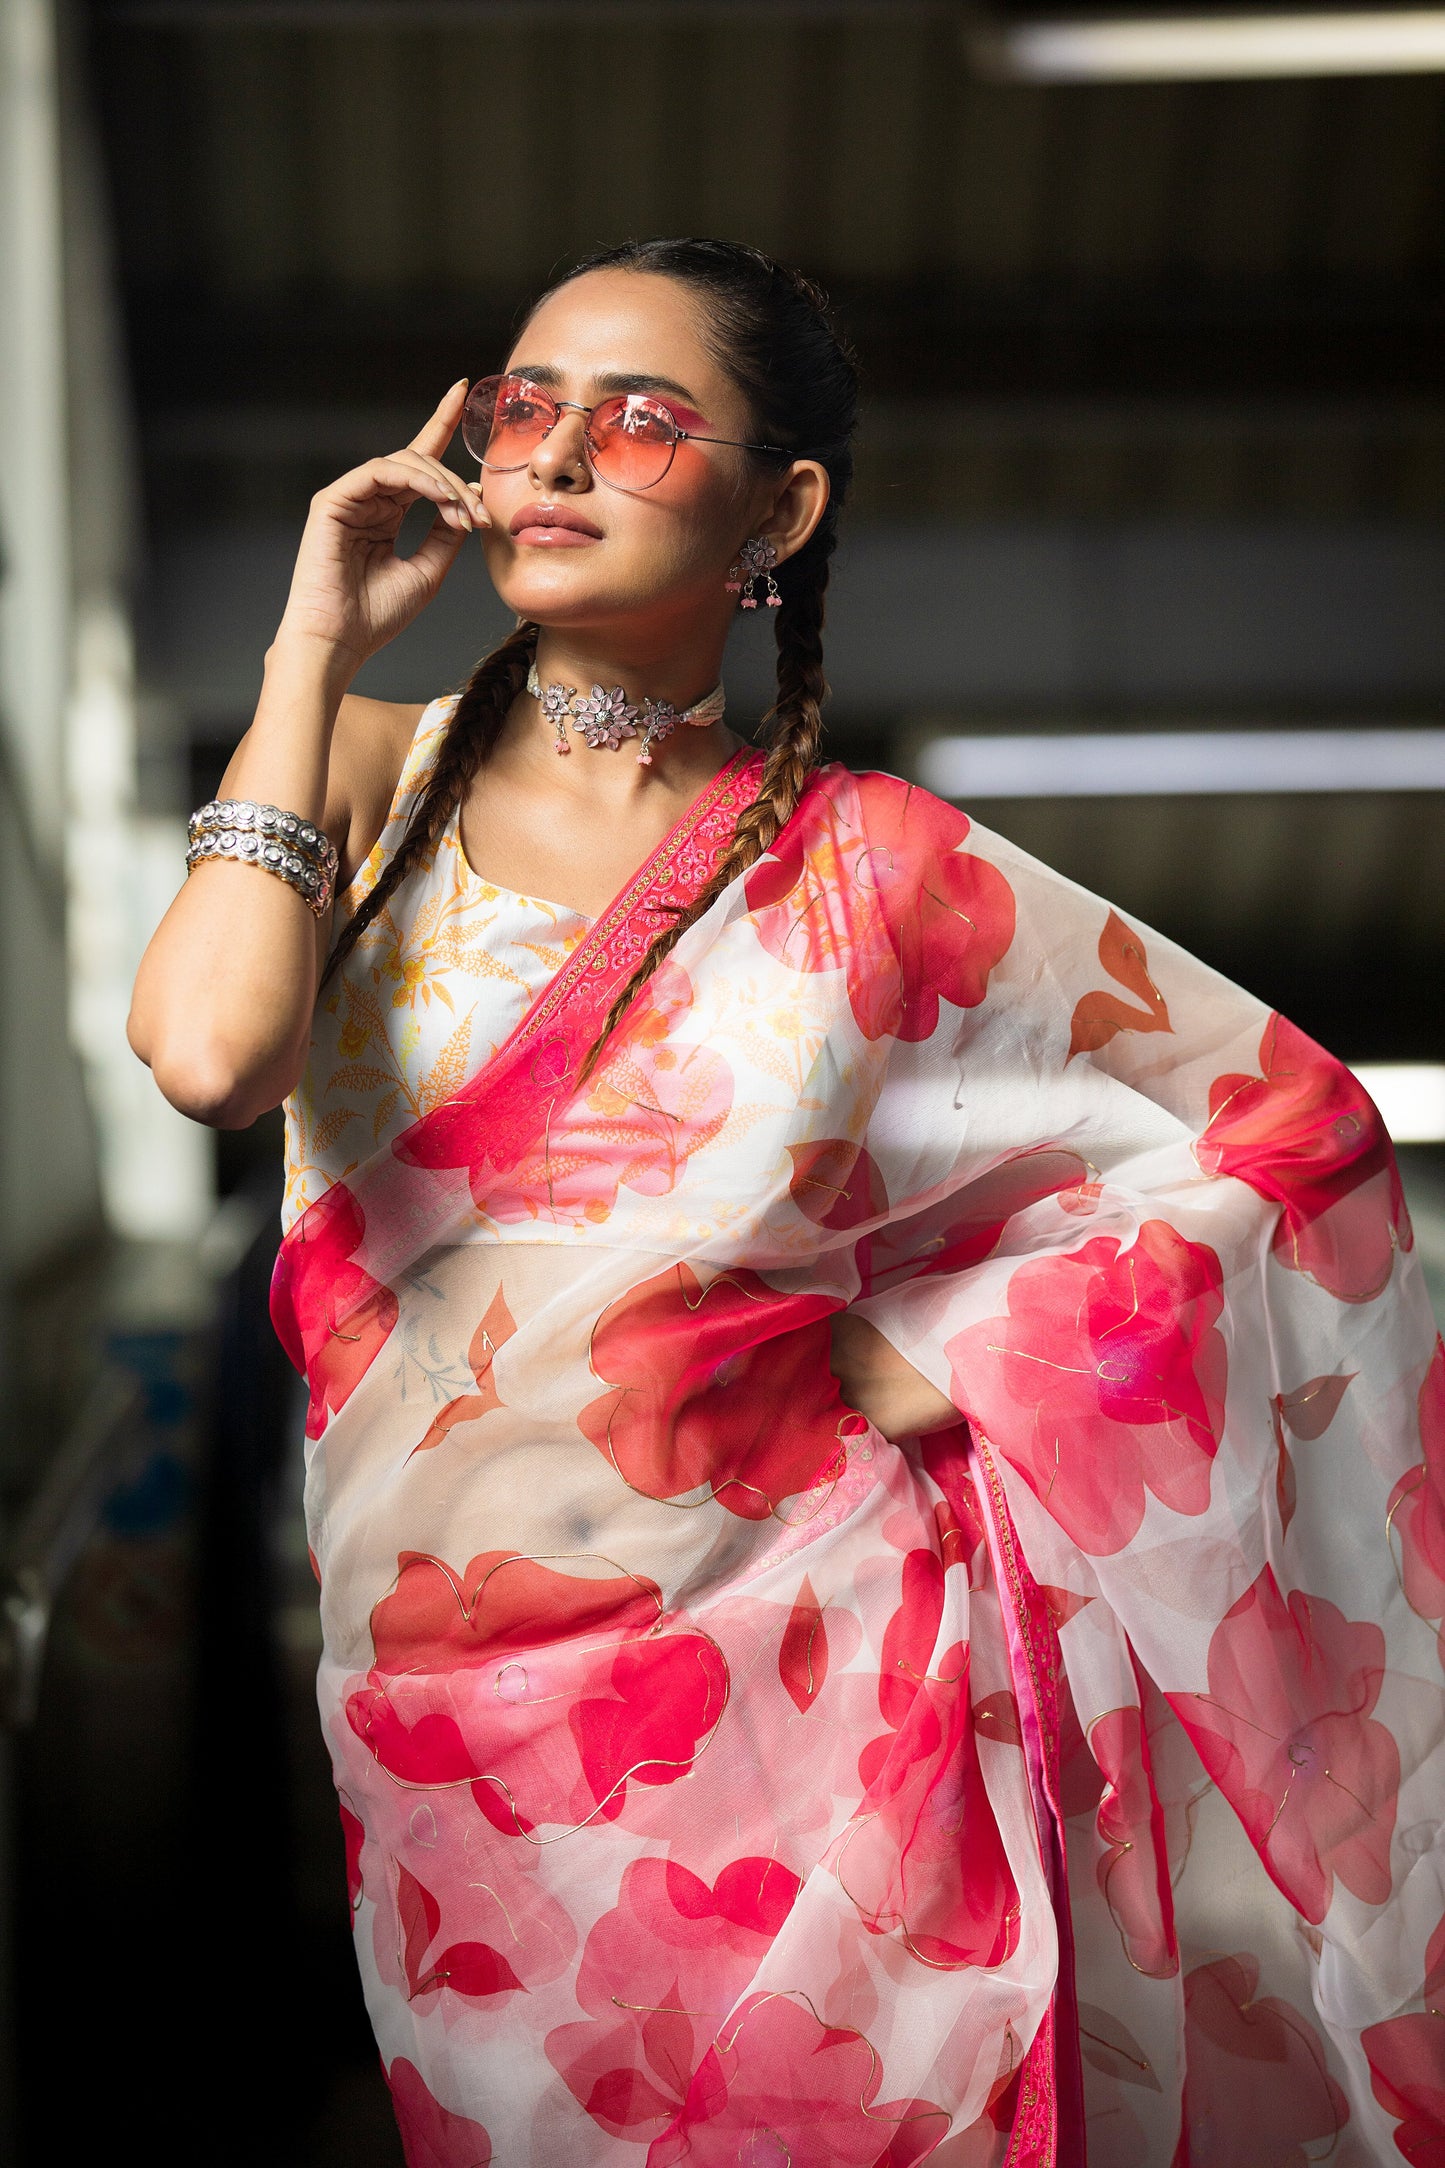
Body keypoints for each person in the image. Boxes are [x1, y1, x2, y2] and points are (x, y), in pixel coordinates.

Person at [129, 239, 1444, 2168]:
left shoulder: (878, 872)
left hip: (815, 1666)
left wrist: (928, 1363)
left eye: (641, 418)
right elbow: (207, 1058)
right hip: (445, 1731)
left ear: (782, 506)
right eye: (523, 406)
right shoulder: (350, 766)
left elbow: (1286, 1127)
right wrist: (311, 638)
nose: (558, 454)